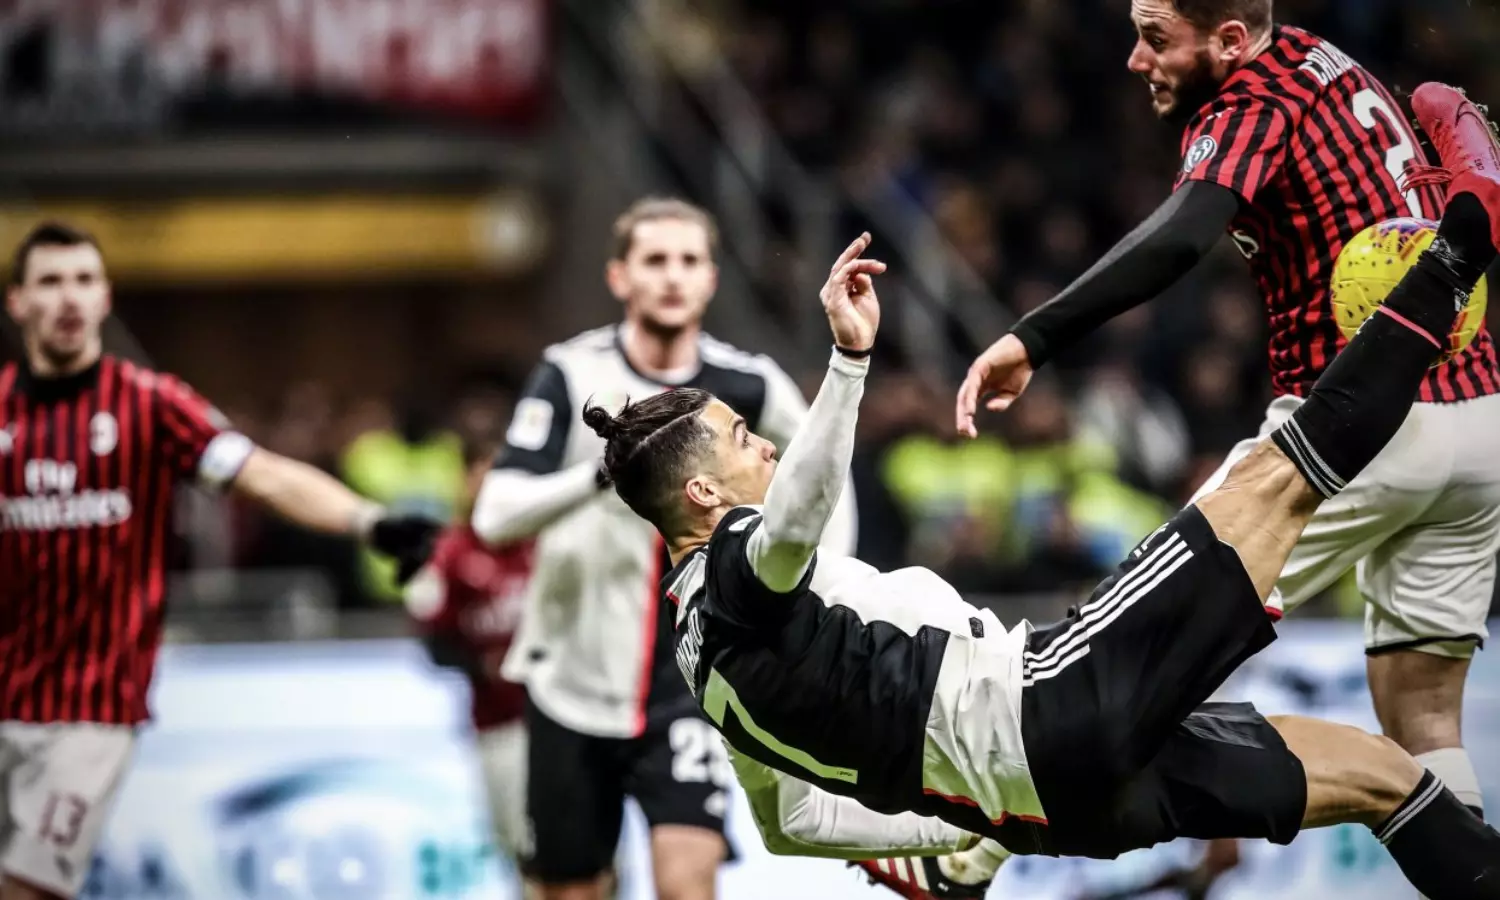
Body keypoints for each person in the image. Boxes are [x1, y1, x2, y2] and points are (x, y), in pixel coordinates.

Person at [591, 183, 1500, 900]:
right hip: (1054, 700)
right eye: (743, 439)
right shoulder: (736, 569)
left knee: (1383, 777)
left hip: (1050, 807)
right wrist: (848, 361)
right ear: (703, 494)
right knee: (1282, 474)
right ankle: (1458, 254)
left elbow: (790, 824)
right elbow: (798, 517)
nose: (767, 446)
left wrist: (950, 834)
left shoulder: (702, 656)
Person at [955, 0, 1500, 822]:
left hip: (1356, 427)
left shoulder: (1254, 100)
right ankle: (1476, 867)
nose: (1136, 60)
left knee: (1124, 652)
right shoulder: (1328, 59)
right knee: (1425, 725)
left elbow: (1184, 234)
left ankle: (972, 851)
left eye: (1156, 39)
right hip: (1479, 415)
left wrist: (1033, 337)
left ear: (1232, 41)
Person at [0, 222, 440, 900]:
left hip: (92, 709)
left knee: (25, 887)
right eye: (51, 282)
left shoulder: (150, 405)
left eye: (84, 280)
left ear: (105, 297)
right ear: (18, 302)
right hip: (7, 692)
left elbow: (263, 475)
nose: (69, 298)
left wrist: (368, 520)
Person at [470, 197, 857, 900]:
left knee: (687, 881)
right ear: (619, 277)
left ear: (711, 278)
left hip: (692, 677)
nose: (672, 276)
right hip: (573, 679)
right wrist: (601, 473)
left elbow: (826, 485)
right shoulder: (570, 374)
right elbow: (495, 516)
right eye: (654, 260)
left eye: (689, 260)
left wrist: (820, 602)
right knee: (570, 890)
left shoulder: (749, 385)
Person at [404, 441, 534, 885]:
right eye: (483, 471)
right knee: (520, 850)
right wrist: (483, 666)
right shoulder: (451, 553)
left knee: (589, 849)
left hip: (568, 717)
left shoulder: (545, 540)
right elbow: (433, 643)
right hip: (500, 723)